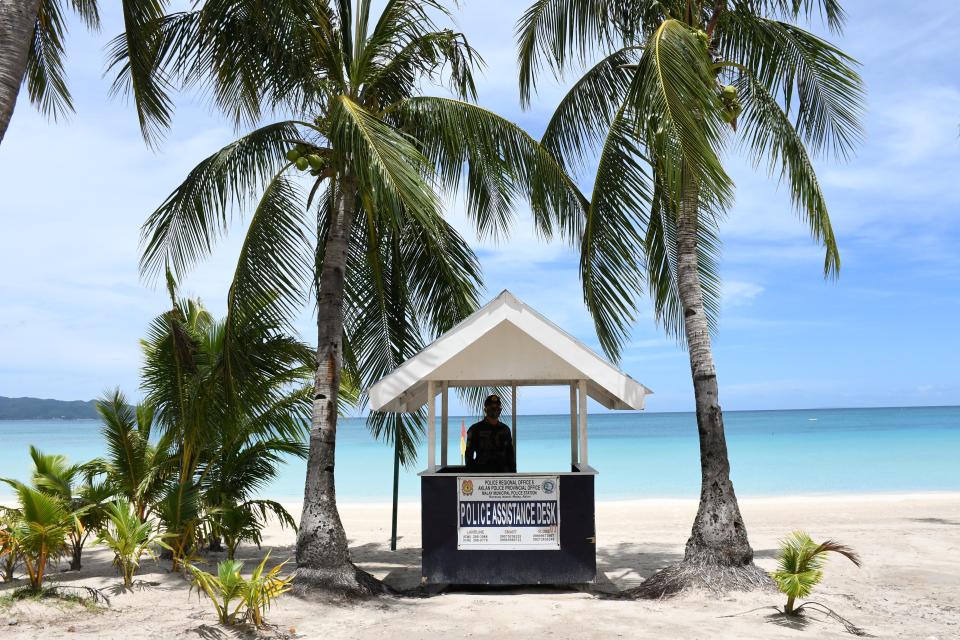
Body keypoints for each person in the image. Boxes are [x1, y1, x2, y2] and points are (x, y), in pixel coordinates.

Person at [465, 394, 516, 473]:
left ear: (500, 410)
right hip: (482, 474)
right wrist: (471, 477)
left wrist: (513, 476)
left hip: (502, 475)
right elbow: (469, 455)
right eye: (492, 408)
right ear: (485, 410)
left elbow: (510, 455)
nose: (495, 410)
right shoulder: (475, 429)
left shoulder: (505, 430)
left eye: (497, 408)